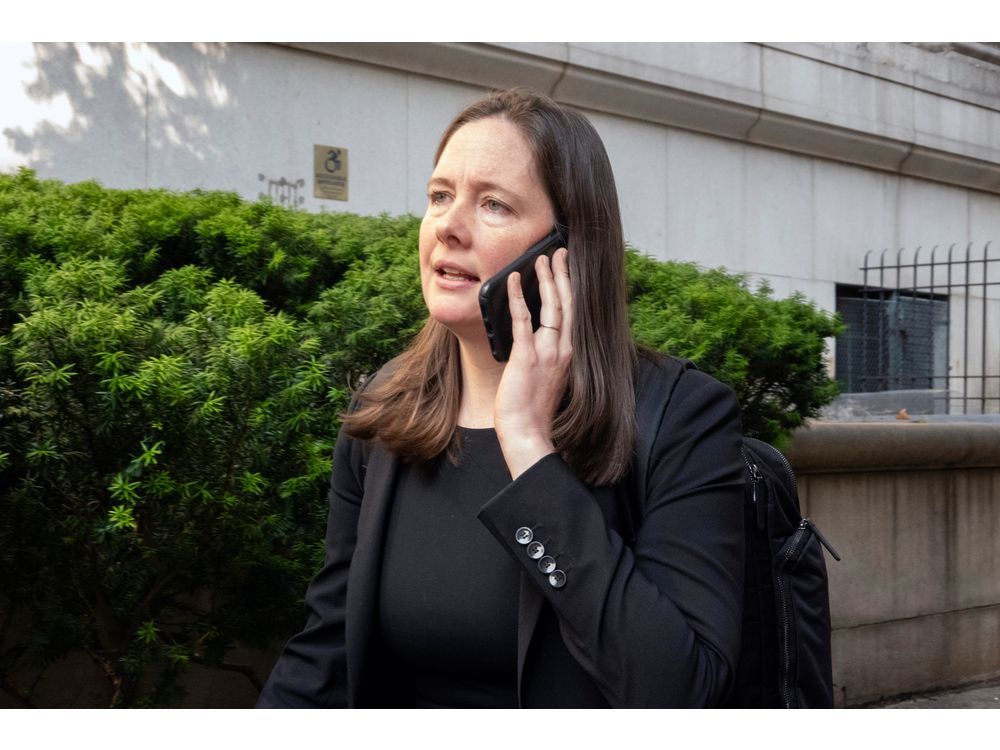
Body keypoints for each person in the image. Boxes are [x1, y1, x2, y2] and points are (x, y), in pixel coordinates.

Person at [257, 88, 745, 708]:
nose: (448, 228)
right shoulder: (384, 411)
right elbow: (327, 654)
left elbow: (681, 692)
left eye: (493, 205)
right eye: (439, 196)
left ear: (565, 251)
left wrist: (529, 448)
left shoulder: (680, 416)